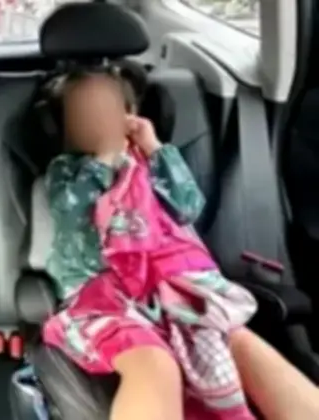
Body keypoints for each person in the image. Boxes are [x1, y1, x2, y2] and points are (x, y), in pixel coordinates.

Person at [39, 65, 319, 420]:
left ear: (130, 116)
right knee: (155, 364)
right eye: (83, 115)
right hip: (105, 295)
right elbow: (73, 211)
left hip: (176, 288)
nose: (97, 122)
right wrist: (104, 161)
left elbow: (188, 207)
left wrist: (155, 149)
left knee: (240, 342)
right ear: (63, 130)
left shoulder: (149, 164)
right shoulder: (66, 171)